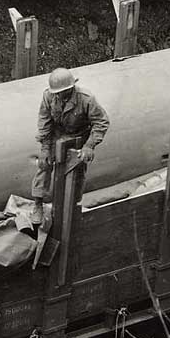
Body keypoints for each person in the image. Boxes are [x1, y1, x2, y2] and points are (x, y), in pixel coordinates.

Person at [31, 67, 109, 225]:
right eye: (57, 93)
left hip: (78, 137)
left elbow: (101, 122)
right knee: (43, 166)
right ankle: (38, 204)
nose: (59, 95)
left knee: (77, 171)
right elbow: (45, 122)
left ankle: (72, 207)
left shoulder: (86, 99)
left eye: (63, 92)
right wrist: (45, 149)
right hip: (57, 136)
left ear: (72, 88)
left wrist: (89, 145)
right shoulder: (49, 96)